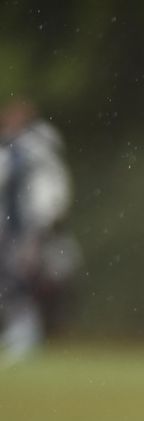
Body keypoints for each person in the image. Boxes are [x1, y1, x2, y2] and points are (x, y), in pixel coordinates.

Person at [0, 98, 76, 364]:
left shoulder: (32, 147)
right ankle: (24, 330)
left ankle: (27, 332)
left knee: (25, 276)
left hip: (31, 224)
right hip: (21, 224)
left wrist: (46, 217)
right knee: (17, 276)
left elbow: (45, 185)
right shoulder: (22, 146)